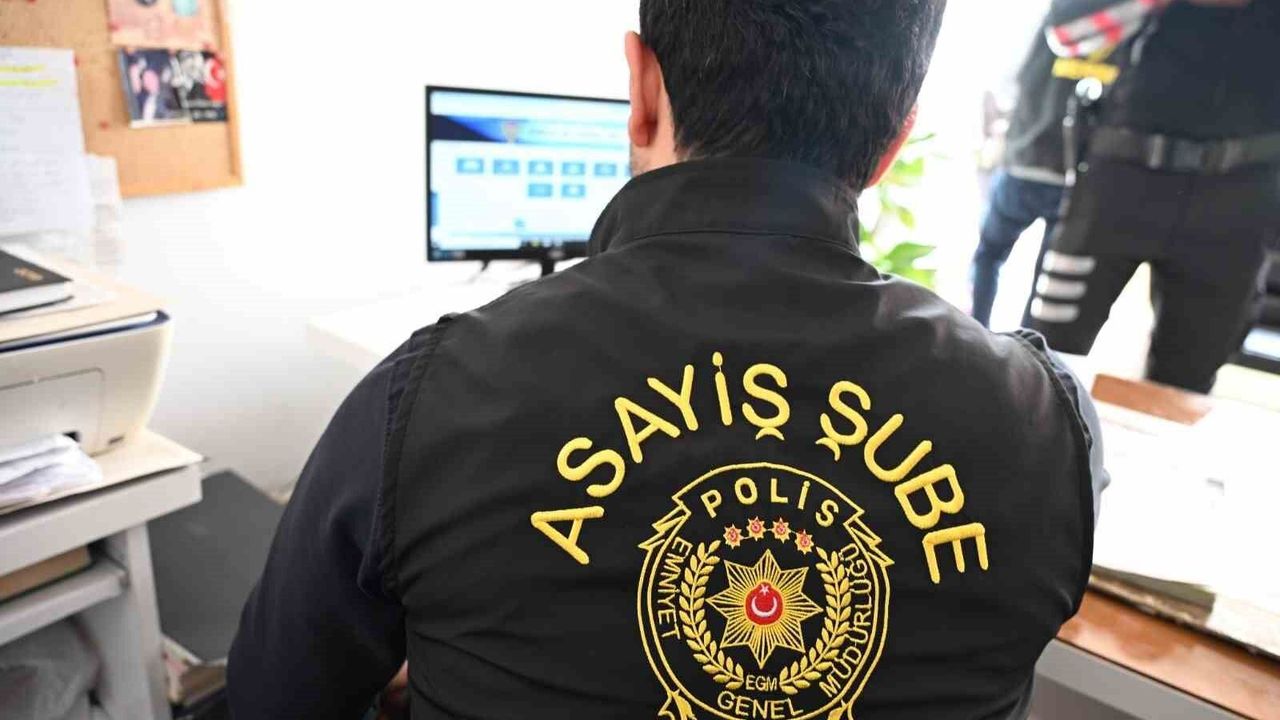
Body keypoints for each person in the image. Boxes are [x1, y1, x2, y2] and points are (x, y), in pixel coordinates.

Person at [229, 2, 1108, 718]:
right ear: (893, 141)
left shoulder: (424, 399)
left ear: (642, 88)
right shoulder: (1045, 424)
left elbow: (274, 700)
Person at [1025, 0, 1280, 393]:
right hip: (1120, 183)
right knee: (1042, 358)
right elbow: (1065, 31)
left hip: (1239, 203)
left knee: (1188, 380)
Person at [970, 13, 1128, 328]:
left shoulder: (1049, 21)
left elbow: (1005, 86)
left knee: (990, 254)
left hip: (1024, 165)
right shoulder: (1127, 28)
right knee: (1047, 278)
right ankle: (1030, 347)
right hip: (1075, 179)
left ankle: (975, 329)